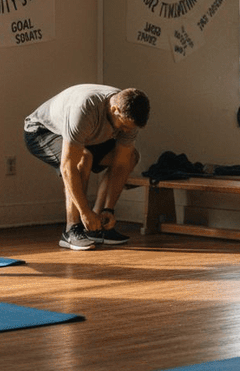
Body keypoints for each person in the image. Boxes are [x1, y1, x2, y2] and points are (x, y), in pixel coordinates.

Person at [24, 85, 150, 250]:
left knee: (131, 156)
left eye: (130, 128)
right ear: (114, 109)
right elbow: (68, 166)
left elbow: (120, 165)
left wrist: (108, 210)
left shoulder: (128, 116)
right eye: (124, 126)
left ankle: (96, 227)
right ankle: (72, 229)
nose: (126, 131)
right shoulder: (84, 109)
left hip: (88, 136)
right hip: (42, 132)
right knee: (83, 158)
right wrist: (84, 212)